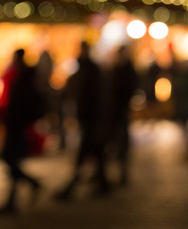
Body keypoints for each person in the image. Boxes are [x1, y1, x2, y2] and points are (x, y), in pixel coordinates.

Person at [57, 42, 109, 199]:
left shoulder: (92, 71)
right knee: (95, 153)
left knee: (87, 153)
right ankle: (102, 183)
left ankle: (72, 188)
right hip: (88, 118)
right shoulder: (86, 70)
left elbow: (94, 96)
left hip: (92, 118)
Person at [0, 49, 44, 215]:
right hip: (18, 125)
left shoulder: (23, 78)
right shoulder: (24, 76)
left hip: (18, 126)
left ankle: (31, 185)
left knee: (9, 158)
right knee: (11, 160)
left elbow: (21, 104)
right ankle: (12, 200)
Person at [109, 45, 138, 186]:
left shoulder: (127, 69)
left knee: (122, 139)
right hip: (116, 110)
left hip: (121, 109)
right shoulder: (117, 69)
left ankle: (123, 174)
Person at [170, 52, 188, 161]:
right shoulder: (178, 76)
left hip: (185, 106)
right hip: (180, 105)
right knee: (183, 126)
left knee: (184, 126)